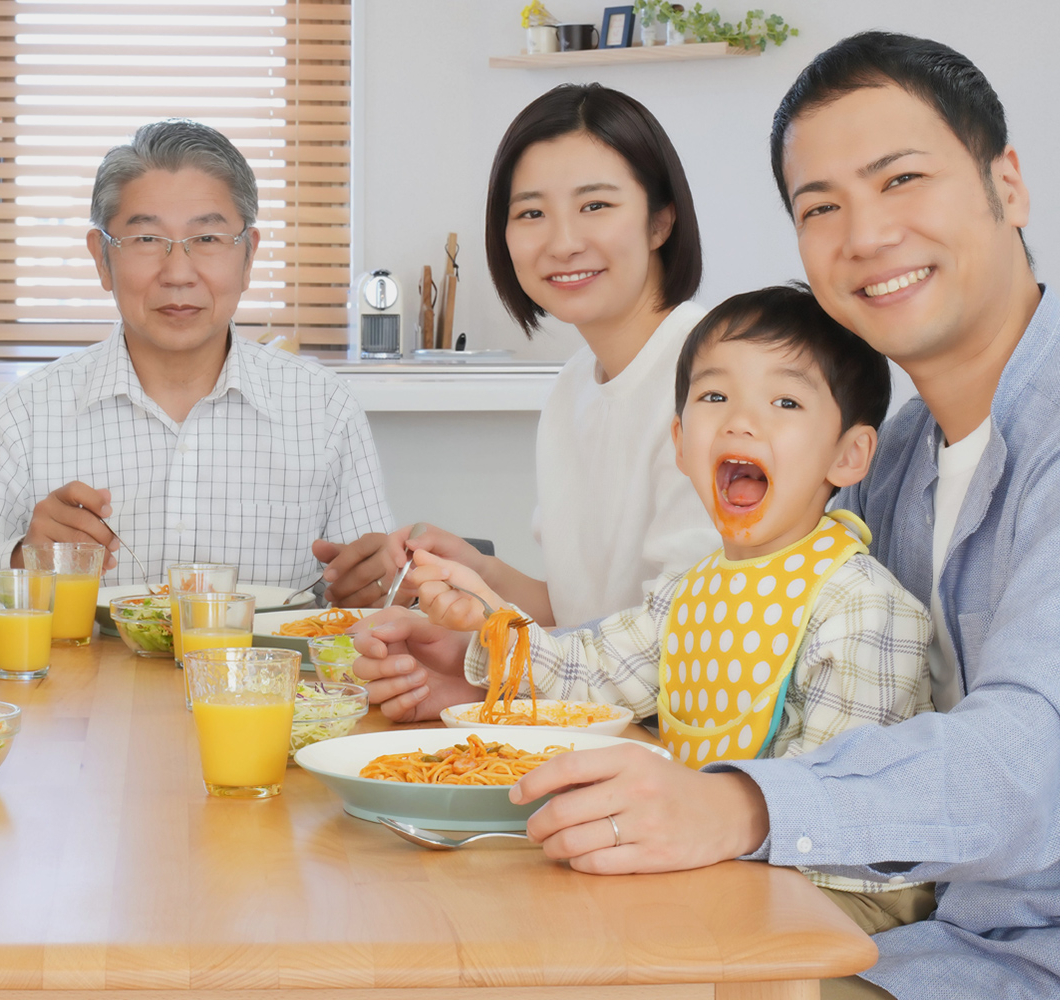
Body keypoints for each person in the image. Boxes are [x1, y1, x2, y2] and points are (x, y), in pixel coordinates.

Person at [362, 32, 1060, 999]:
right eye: (820, 207)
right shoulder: (898, 450)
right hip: (904, 912)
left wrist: (742, 804)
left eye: (902, 179)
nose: (865, 236)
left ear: (1008, 185)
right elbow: (713, 621)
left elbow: (1025, 766)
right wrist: (488, 668)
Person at [398, 285, 934, 936]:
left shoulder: (862, 609)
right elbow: (588, 673)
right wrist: (489, 615)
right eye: (715, 397)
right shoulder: (691, 591)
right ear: (681, 442)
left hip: (836, 900)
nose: (741, 422)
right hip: (714, 867)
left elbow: (837, 827)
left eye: (785, 401)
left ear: (848, 456)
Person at [0, 120, 395, 595]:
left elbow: (378, 595)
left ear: (248, 256)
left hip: (262, 688)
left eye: (208, 239)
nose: (178, 272)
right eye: (147, 239)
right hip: (76, 690)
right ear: (101, 257)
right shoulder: (26, 413)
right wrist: (23, 561)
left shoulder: (322, 407)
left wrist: (376, 591)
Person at [319, 84, 717, 624]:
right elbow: (578, 615)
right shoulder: (573, 385)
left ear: (660, 221)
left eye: (595, 205)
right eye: (531, 214)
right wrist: (476, 571)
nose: (562, 242)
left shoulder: (716, 379)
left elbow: (678, 638)